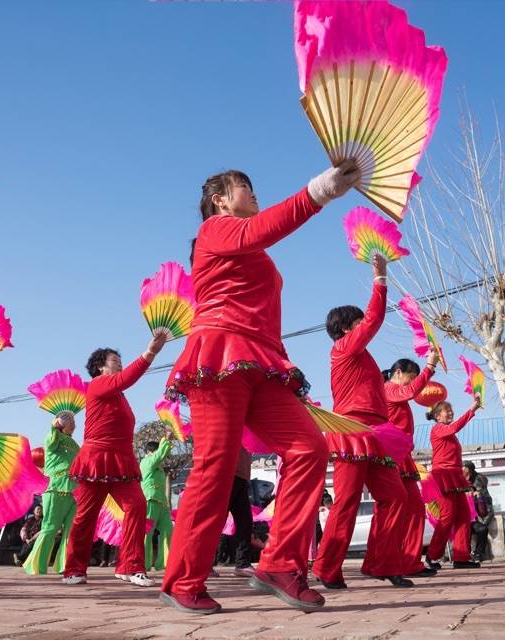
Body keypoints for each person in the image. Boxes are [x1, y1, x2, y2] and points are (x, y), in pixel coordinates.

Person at [160, 162, 360, 614]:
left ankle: (281, 565)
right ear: (219, 199)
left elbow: (262, 242)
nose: (253, 194)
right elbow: (264, 229)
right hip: (218, 356)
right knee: (215, 468)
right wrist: (321, 189)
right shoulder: (216, 230)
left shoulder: (253, 246)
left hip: (262, 361)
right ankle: (182, 580)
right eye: (244, 188)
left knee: (310, 448)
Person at [314, 256, 412, 590]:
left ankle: (381, 563)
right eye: (358, 322)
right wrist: (380, 279)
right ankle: (327, 568)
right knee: (346, 502)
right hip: (351, 430)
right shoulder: (343, 348)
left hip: (376, 433)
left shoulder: (362, 355)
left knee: (396, 497)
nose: (364, 325)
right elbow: (374, 320)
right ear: (346, 328)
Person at [61, 336, 167, 587]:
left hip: (121, 463)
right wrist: (149, 352)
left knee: (137, 506)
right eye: (115, 361)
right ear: (100, 367)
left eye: (120, 361)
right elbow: (126, 378)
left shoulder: (119, 395)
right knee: (86, 516)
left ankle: (131, 566)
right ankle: (74, 569)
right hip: (96, 461)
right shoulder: (98, 384)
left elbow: (123, 383)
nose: (120, 365)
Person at [383, 350, 440, 577]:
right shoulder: (389, 389)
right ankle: (391, 562)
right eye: (411, 376)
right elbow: (411, 391)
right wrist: (429, 366)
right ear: (398, 373)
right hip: (390, 454)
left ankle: (410, 561)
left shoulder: (398, 392)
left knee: (415, 508)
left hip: (402, 455)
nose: (414, 382)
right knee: (396, 510)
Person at [425, 397, 482, 569]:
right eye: (447, 411)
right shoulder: (438, 429)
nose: (450, 413)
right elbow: (456, 426)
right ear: (437, 416)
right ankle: (432, 556)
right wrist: (472, 409)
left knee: (464, 516)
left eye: (451, 410)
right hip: (442, 475)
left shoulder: (448, 432)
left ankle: (461, 557)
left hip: (454, 475)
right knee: (447, 517)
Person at [23, 411, 80, 576]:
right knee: (50, 527)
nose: (75, 424)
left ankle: (65, 565)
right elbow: (51, 439)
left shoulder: (75, 444)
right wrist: (54, 426)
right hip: (55, 488)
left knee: (71, 530)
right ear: (62, 423)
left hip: (74, 490)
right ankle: (36, 565)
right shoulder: (52, 437)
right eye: (71, 421)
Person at [141, 434, 174, 572]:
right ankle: (144, 564)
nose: (159, 456)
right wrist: (166, 438)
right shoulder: (146, 462)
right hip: (150, 499)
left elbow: (161, 455)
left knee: (168, 530)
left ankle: (165, 563)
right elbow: (160, 454)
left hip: (162, 503)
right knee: (147, 533)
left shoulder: (159, 467)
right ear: (149, 453)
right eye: (155, 452)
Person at [225, 448, 256, 577]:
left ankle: (242, 563)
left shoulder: (249, 432)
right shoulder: (235, 429)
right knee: (216, 522)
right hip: (226, 474)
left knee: (245, 522)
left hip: (242, 477)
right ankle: (203, 563)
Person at [463, 464, 492, 562]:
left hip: (474, 521)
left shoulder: (477, 494)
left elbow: (483, 512)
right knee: (464, 531)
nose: (469, 492)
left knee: (483, 529)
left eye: (470, 490)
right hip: (462, 521)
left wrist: (479, 498)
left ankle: (479, 553)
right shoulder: (460, 497)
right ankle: (465, 554)